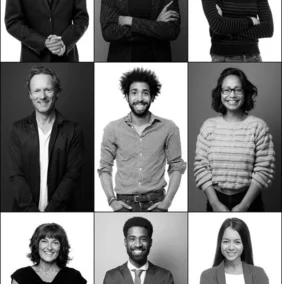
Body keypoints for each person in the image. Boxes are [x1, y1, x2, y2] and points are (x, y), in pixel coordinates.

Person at [98, 67, 186, 212]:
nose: (139, 98)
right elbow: (105, 167)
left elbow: (176, 166)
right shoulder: (112, 129)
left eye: (145, 93)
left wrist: (167, 201)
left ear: (152, 97)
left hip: (157, 202)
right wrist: (111, 200)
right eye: (134, 93)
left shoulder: (169, 128)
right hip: (124, 203)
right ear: (126, 96)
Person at [194, 67, 275, 212]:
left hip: (250, 200)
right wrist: (214, 203)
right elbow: (201, 167)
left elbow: (264, 168)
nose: (232, 95)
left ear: (245, 93)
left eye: (238, 90)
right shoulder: (209, 126)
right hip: (215, 200)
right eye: (227, 90)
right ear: (220, 93)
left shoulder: (258, 126)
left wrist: (244, 205)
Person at [9, 66, 84, 212]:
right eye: (37, 90)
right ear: (30, 94)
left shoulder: (73, 130)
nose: (42, 96)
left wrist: (51, 211)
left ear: (57, 93)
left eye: (48, 90)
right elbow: (16, 174)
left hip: (62, 212)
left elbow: (72, 175)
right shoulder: (17, 129)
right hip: (23, 213)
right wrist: (31, 212)